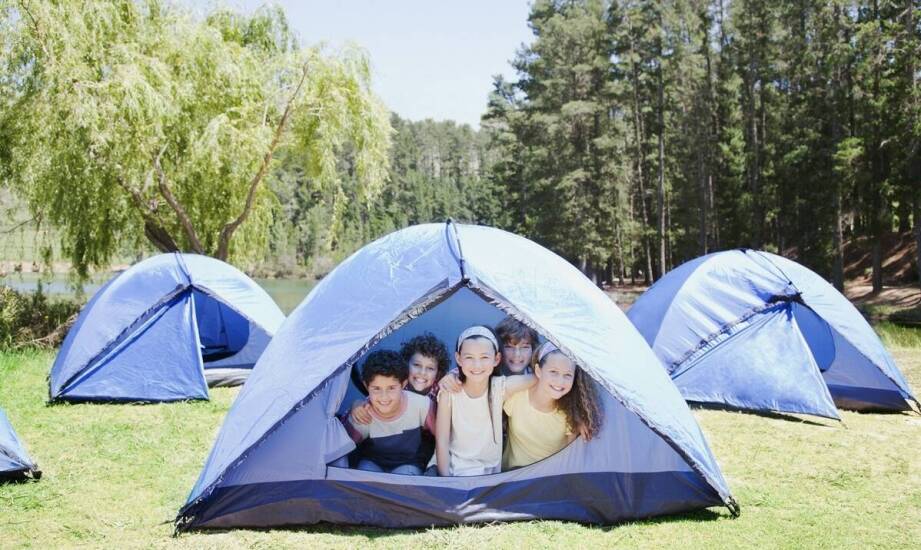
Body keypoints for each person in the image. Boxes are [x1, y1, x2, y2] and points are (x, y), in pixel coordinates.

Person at [435, 325, 535, 476]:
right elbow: (441, 442)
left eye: (484, 357)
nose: (477, 365)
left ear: (496, 359)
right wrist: (446, 481)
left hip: (488, 475)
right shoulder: (449, 393)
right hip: (453, 470)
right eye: (469, 357)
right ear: (458, 359)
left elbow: (543, 376)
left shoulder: (499, 388)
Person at [503, 341, 603, 470]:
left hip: (548, 480)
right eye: (553, 372)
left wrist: (579, 419)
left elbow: (568, 462)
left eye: (567, 375)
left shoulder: (571, 414)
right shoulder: (516, 397)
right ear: (538, 371)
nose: (560, 381)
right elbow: (498, 388)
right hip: (511, 477)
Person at [340, 350, 435, 475]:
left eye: (391, 388)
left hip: (408, 463)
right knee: (364, 473)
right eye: (376, 389)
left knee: (406, 477)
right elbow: (340, 449)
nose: (384, 397)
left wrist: (434, 468)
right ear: (366, 386)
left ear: (403, 384)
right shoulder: (363, 413)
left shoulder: (421, 405)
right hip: (373, 462)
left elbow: (444, 437)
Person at [401, 333, 451, 398]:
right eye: (417, 365)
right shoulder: (396, 387)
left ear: (438, 373)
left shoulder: (442, 392)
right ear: (406, 364)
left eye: (430, 368)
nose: (422, 372)